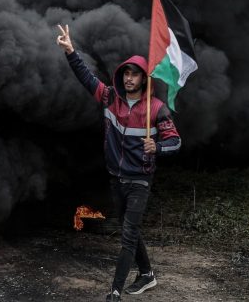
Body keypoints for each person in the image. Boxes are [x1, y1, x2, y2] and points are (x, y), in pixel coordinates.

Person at [56, 24, 181, 301]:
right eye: (126, 72)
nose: (129, 78)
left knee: (127, 235)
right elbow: (87, 79)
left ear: (143, 79)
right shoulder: (111, 98)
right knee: (130, 228)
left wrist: (157, 146)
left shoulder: (156, 108)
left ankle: (114, 291)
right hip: (117, 178)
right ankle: (147, 274)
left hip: (139, 180)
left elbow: (176, 141)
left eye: (135, 74)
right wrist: (70, 52)